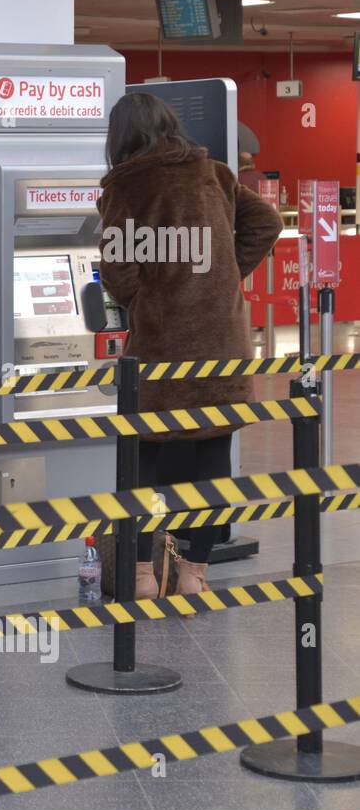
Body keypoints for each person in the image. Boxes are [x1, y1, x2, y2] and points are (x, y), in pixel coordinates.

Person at [97, 93, 282, 596]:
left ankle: (140, 575)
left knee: (142, 465)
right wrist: (223, 278)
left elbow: (117, 270)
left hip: (161, 348)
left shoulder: (125, 186)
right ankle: (194, 574)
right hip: (224, 343)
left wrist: (149, 294)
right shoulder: (216, 173)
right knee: (212, 459)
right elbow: (268, 224)